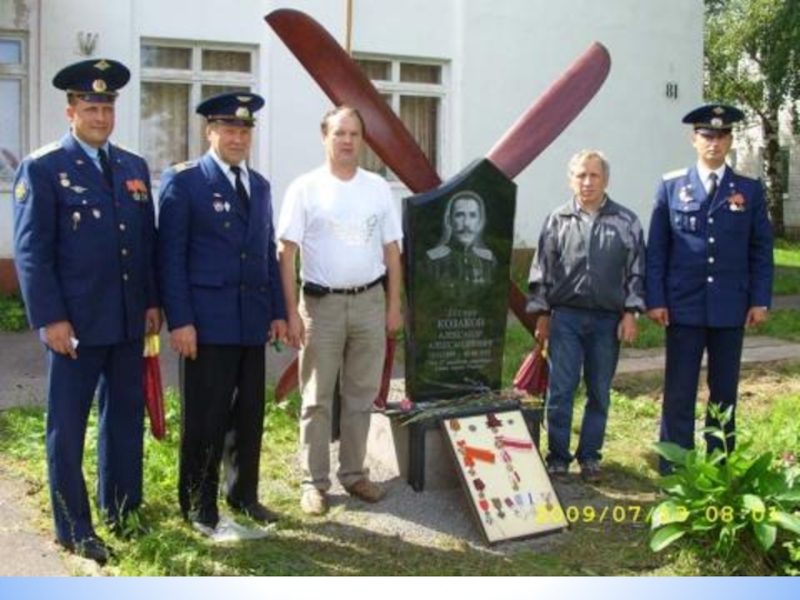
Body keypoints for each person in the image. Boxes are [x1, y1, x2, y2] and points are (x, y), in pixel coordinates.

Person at [12, 58, 161, 564]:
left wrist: (152, 303)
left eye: (107, 107)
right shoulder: (44, 167)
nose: (100, 116)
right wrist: (50, 318)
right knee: (67, 427)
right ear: (71, 110)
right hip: (74, 326)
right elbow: (33, 252)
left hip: (125, 320)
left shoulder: (132, 167)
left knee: (124, 419)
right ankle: (73, 526)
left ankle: (122, 509)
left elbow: (145, 243)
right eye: (91, 107)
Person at [157, 92, 287, 536]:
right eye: (228, 128)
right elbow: (170, 258)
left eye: (245, 129)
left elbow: (266, 253)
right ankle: (198, 502)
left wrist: (278, 312)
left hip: (250, 321)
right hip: (206, 324)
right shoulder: (185, 181)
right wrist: (181, 320)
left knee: (248, 414)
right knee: (205, 417)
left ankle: (243, 494)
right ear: (209, 131)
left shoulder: (261, 185)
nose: (237, 137)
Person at [277, 105, 403, 516]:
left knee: (361, 395)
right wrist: (291, 312)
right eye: (339, 133)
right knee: (316, 397)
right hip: (320, 306)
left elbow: (392, 251)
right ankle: (314, 483)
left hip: (369, 302)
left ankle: (353, 474)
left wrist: (393, 306)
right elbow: (286, 252)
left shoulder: (378, 188)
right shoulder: (305, 188)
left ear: (362, 140)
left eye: (354, 133)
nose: (347, 140)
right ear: (324, 137)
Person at [645, 103, 774, 474]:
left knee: (724, 392)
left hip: (730, 308)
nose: (713, 143)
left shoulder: (748, 189)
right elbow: (658, 249)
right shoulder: (671, 186)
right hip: (683, 306)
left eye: (721, 136)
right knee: (680, 390)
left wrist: (759, 299)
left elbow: (761, 249)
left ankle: (719, 467)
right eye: (706, 135)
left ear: (730, 140)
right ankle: (675, 468)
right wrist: (656, 299)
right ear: (693, 139)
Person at [527, 150, 645, 483]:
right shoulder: (557, 219)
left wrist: (631, 313)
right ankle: (558, 457)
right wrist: (542, 314)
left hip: (608, 321)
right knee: (561, 389)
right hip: (566, 318)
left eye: (594, 175)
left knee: (599, 390)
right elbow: (541, 270)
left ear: (605, 179)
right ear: (571, 179)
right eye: (581, 175)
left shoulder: (626, 222)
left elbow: (637, 271)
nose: (588, 182)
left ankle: (590, 456)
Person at [426, 190, 496, 285]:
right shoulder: (433, 259)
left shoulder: (488, 260)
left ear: (480, 221)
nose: (466, 223)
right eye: (459, 215)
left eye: (473, 215)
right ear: (449, 220)